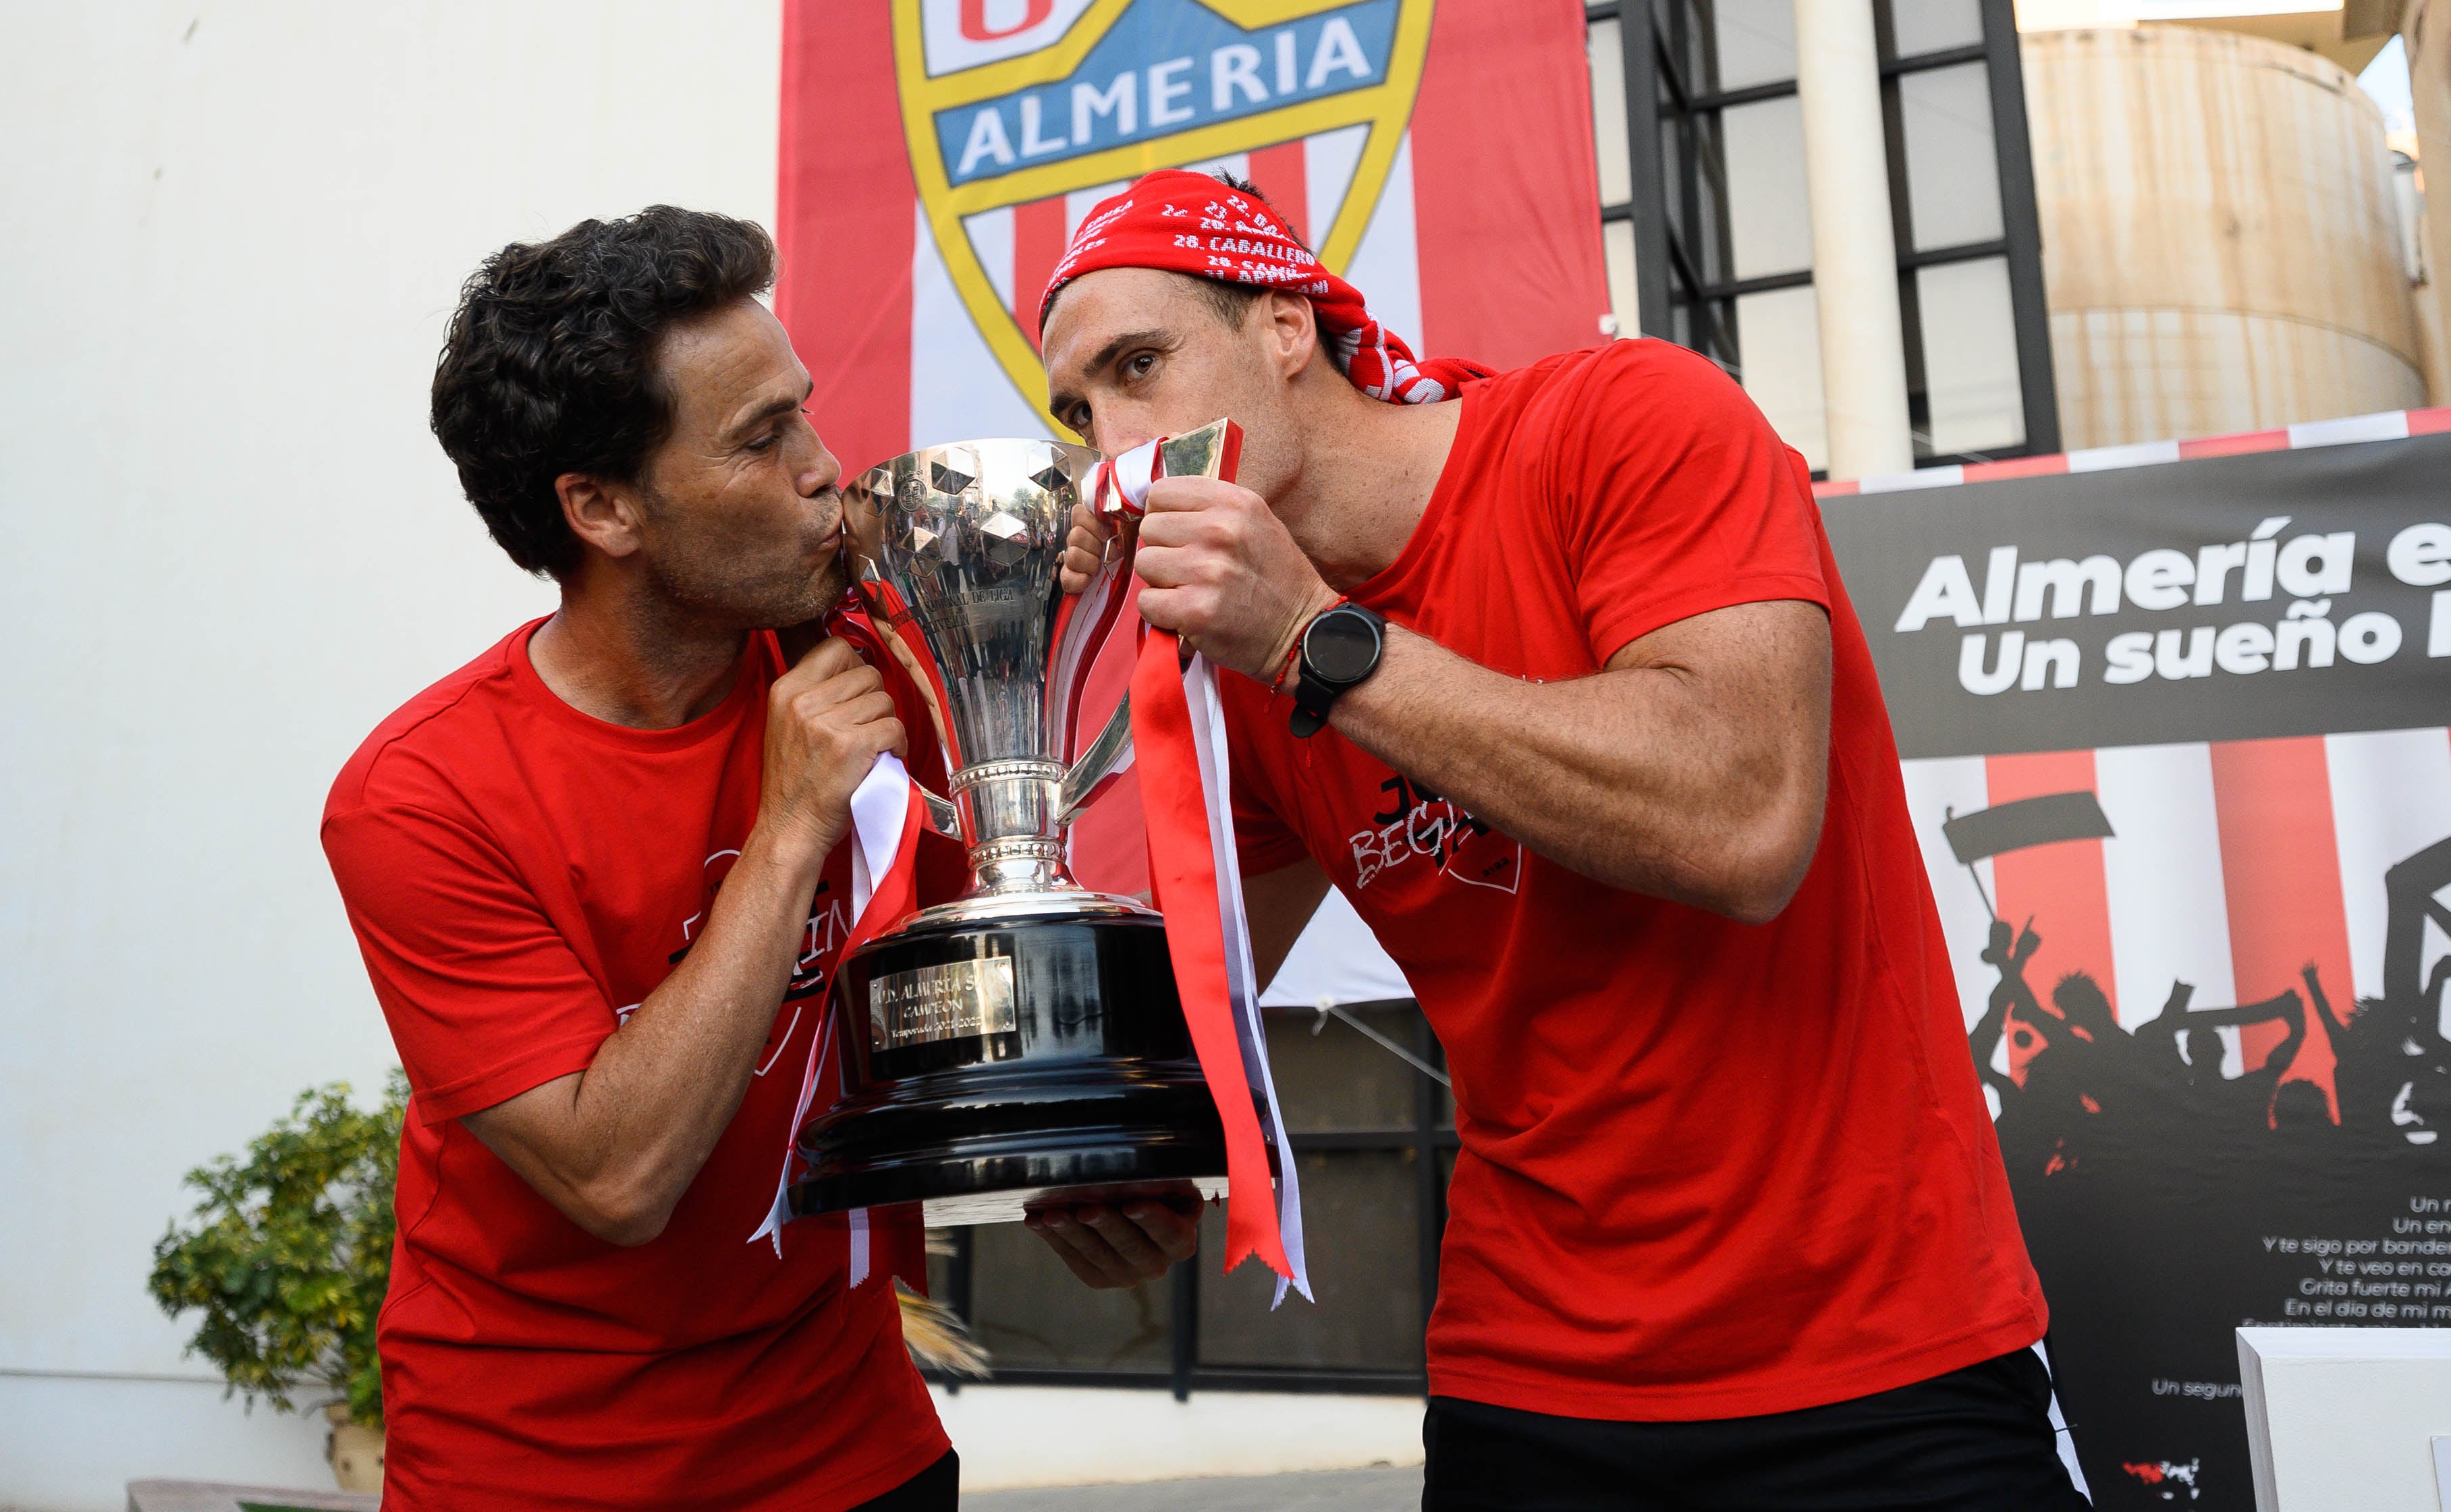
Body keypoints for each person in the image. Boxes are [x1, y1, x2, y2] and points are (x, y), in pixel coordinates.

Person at [1037, 170, 2081, 1508]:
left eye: (1141, 365)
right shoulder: (1234, 663)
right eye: (1080, 410)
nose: (1116, 437)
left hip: (1875, 1351)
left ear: (1284, 328)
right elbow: (1203, 1002)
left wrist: (1318, 642)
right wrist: (1111, 1151)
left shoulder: (1624, 421)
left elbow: (1742, 819)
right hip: (1527, 1376)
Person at [321, 207, 1120, 1511]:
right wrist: (789, 821)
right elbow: (614, 1174)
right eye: (762, 439)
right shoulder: (419, 799)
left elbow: (980, 966)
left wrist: (1099, 1173)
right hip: (548, 1471)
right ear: (602, 507)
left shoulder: (876, 655)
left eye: (804, 411)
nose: (826, 469)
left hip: (854, 1444)